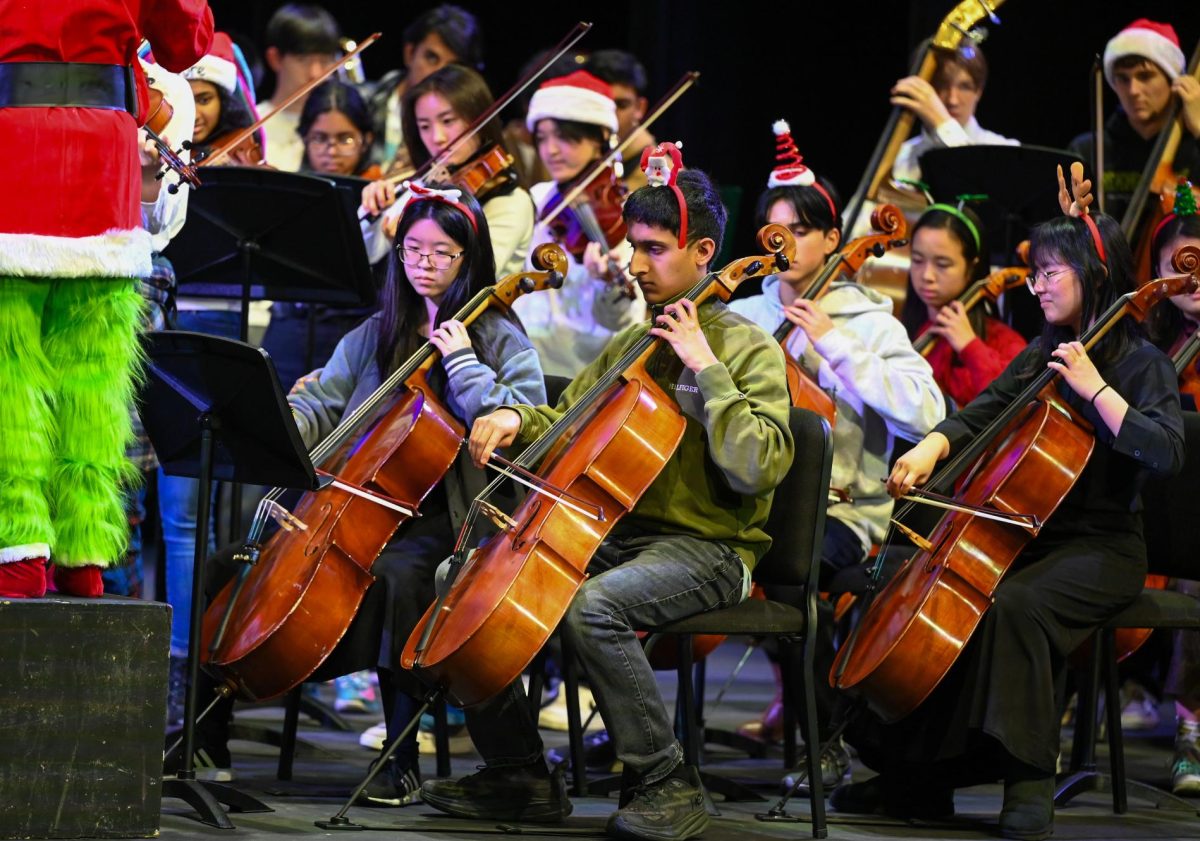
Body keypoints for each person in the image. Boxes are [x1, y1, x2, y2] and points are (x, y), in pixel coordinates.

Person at [419, 163, 794, 841]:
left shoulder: (745, 347)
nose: (636, 263)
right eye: (633, 246)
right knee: (460, 580)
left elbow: (758, 465)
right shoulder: (630, 344)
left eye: (654, 248)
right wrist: (513, 418)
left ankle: (666, 779)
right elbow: (561, 420)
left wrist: (706, 369)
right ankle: (520, 773)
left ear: (703, 254)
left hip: (710, 547)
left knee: (599, 605)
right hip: (611, 535)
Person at [834, 189, 1186, 840]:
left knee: (1017, 605)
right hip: (1028, 534)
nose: (1037, 284)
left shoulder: (1142, 364)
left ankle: (1028, 781)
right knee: (952, 599)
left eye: (1053, 271)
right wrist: (932, 449)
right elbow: (982, 410)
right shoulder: (1042, 351)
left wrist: (1096, 390)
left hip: (1104, 545)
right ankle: (919, 776)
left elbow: (1165, 450)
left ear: (1097, 275)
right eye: (1036, 270)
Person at [285, 183, 545, 805]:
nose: (423, 263)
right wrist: (287, 416)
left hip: (449, 513)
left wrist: (461, 364)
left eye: (441, 253)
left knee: (399, 577)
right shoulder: (377, 331)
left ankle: (400, 758)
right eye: (411, 250)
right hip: (364, 500)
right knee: (241, 561)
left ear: (469, 259)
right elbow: (324, 403)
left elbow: (527, 420)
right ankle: (208, 736)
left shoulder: (498, 334)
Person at [726, 120, 944, 786]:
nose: (783, 242)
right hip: (749, 504)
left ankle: (823, 737)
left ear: (831, 240)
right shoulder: (745, 315)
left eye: (800, 229)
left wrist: (836, 346)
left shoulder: (870, 320)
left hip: (845, 512)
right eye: (774, 228)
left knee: (793, 574)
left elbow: (927, 410)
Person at [0, 2, 213, 600]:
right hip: (102, 169)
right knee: (93, 377)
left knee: (10, 373)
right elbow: (185, 43)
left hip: (10, 158)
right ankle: (84, 556)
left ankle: (18, 551)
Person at [516, 69, 647, 377]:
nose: (550, 150)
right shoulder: (537, 199)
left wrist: (606, 284)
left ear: (601, 139)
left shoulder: (628, 217)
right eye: (542, 138)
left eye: (565, 137)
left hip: (584, 374)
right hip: (523, 360)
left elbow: (621, 322)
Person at [360, 64, 535, 279]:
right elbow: (367, 257)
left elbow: (472, 277)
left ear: (478, 118)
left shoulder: (510, 201)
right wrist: (373, 213)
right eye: (425, 126)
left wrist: (406, 243)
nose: (437, 137)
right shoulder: (427, 185)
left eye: (448, 121)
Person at [1147, 185, 1200, 795]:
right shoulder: (1148, 349)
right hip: (1148, 510)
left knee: (1195, 570)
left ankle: (1190, 726)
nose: (1190, 276)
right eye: (1176, 266)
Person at [1068, 19, 1200, 222]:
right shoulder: (1087, 150)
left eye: (1145, 76)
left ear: (1174, 80)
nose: (1133, 90)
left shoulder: (1194, 148)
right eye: (1122, 78)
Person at [899, 203, 1028, 408]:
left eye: (942, 264)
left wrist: (970, 347)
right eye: (917, 260)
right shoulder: (901, 332)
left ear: (972, 266)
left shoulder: (1005, 343)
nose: (926, 275)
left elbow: (1014, 408)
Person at [365, 4, 484, 174]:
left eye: (452, 66)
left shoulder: (468, 124)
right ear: (409, 53)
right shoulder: (364, 102)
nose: (439, 72)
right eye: (432, 58)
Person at [890, 45, 1019, 186]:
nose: (953, 100)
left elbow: (980, 186)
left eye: (964, 87)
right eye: (942, 85)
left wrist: (943, 124)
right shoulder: (899, 156)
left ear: (979, 92)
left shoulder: (1006, 151)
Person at [258, 3, 341, 172]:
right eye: (303, 60)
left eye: (325, 61)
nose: (316, 73)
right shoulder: (253, 123)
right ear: (275, 59)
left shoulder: (340, 125)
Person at [586, 49, 657, 191]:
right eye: (601, 103)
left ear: (640, 108)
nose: (610, 114)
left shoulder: (664, 175)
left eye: (621, 105)